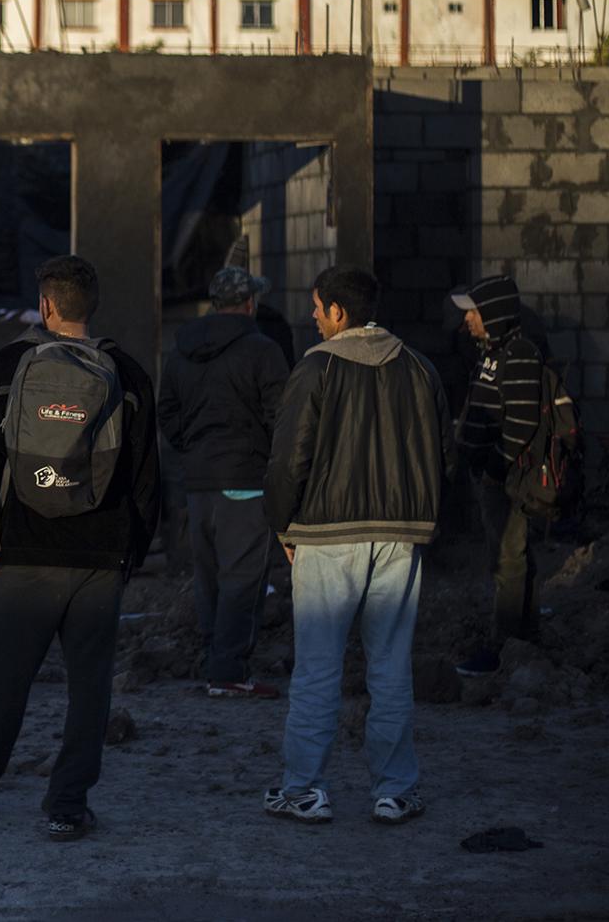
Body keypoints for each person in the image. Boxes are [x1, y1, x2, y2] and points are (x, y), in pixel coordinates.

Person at [0, 255, 159, 842]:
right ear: (91, 305)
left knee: (4, 681)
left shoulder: (6, 367)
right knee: (90, 689)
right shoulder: (127, 373)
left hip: (20, 554)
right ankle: (67, 806)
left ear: (45, 305)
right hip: (98, 561)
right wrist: (131, 554)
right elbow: (147, 482)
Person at [262, 266, 450, 827]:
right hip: (400, 537)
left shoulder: (315, 368)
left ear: (339, 312)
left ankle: (304, 791)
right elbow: (445, 456)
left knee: (318, 670)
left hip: (325, 536)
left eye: (318, 307)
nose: (312, 316)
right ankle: (395, 790)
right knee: (391, 667)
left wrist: (283, 526)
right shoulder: (420, 368)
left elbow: (287, 458)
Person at [159, 266, 290, 699]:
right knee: (243, 576)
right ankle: (229, 671)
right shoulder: (263, 350)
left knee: (209, 575)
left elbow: (168, 414)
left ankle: (215, 660)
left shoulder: (180, 352)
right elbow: (282, 417)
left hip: (198, 483)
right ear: (250, 303)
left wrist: (192, 451)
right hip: (246, 480)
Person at [449, 273, 547, 678]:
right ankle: (523, 639)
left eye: (472, 313)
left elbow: (521, 424)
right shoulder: (491, 353)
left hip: (507, 481)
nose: (467, 321)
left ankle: (504, 648)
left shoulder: (520, 355)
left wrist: (493, 470)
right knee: (507, 560)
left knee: (509, 562)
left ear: (493, 314)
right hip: (491, 479)